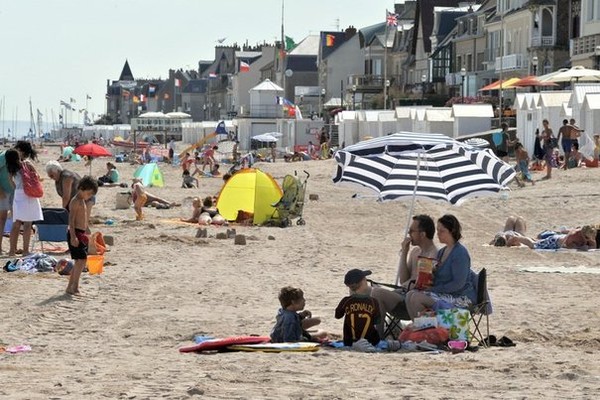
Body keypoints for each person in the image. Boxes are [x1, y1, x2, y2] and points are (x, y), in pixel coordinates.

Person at [369, 215, 438, 338]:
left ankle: (378, 336)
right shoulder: (416, 252)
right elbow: (403, 280)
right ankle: (377, 335)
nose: (409, 234)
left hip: (415, 300)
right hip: (404, 294)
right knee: (370, 291)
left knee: (377, 293)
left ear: (422, 234)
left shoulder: (433, 254)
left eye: (412, 231)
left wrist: (408, 284)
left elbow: (423, 284)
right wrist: (404, 252)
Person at [406, 214, 477, 319]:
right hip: (444, 293)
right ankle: (421, 328)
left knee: (416, 298)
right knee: (409, 295)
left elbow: (458, 284)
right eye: (437, 230)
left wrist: (434, 289)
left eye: (442, 231)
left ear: (452, 231)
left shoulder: (460, 253)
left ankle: (426, 330)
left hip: (460, 297)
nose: (438, 234)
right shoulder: (442, 252)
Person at [6, 147, 44, 257]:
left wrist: (19, 189)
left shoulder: (11, 169)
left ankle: (12, 251)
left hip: (19, 194)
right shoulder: (27, 164)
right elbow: (38, 177)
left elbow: (12, 184)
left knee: (16, 224)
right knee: (28, 224)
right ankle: (25, 251)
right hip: (30, 194)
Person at [65, 176, 98, 295]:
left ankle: (72, 286)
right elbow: (71, 220)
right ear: (81, 188)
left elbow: (82, 218)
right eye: (88, 193)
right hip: (75, 233)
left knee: (80, 261)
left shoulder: (82, 200)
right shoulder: (75, 201)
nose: (89, 196)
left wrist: (87, 228)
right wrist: (73, 236)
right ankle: (74, 287)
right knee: (81, 261)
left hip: (81, 232)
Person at [335, 269, 381, 347]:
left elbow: (337, 315)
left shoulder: (346, 301)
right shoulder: (373, 302)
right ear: (363, 281)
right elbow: (377, 321)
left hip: (349, 342)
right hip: (371, 342)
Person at [514, 226, 596, 251]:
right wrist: (580, 248)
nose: (588, 240)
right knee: (534, 245)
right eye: (586, 238)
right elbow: (566, 246)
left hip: (559, 238)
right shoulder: (573, 235)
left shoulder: (589, 234)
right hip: (554, 241)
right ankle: (516, 238)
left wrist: (589, 245)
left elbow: (593, 246)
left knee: (537, 241)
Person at [0, 148, 15, 254]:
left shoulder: (18, 158)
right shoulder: (3, 156)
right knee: (2, 219)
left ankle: (12, 248)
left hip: (14, 192)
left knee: (16, 220)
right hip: (3, 191)